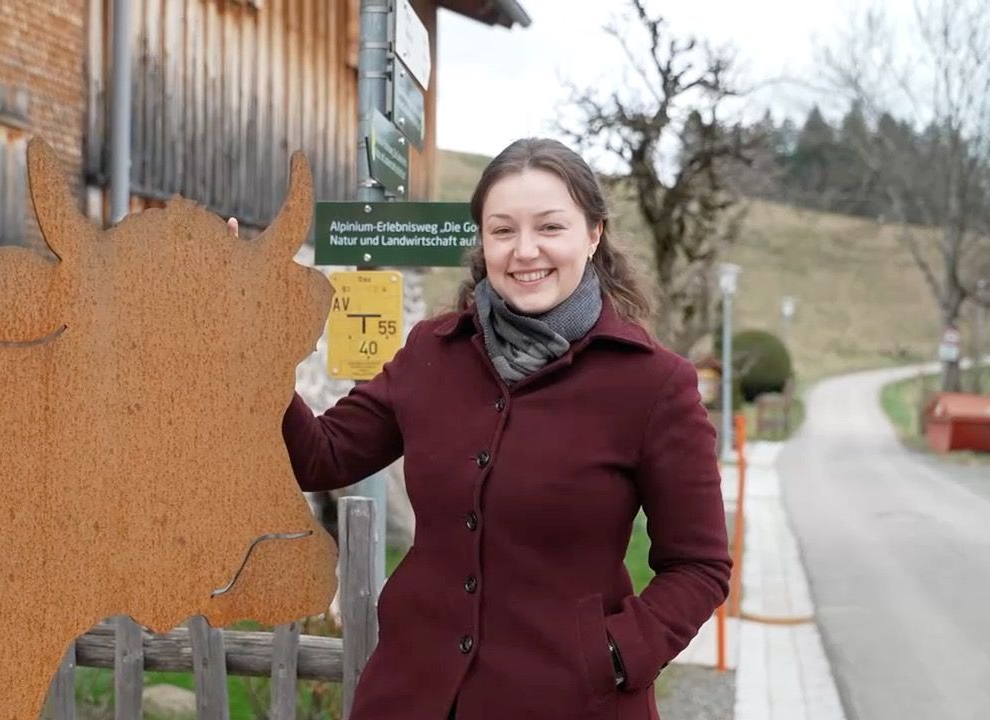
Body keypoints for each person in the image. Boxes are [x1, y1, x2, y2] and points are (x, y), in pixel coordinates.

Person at [250, 136, 730, 719]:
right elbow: (322, 457)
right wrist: (251, 345)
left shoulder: (653, 384)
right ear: (483, 240)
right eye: (503, 230)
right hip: (411, 696)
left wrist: (615, 654)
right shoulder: (434, 351)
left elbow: (699, 566)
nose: (525, 250)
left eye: (550, 227)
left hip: (569, 704)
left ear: (594, 233)